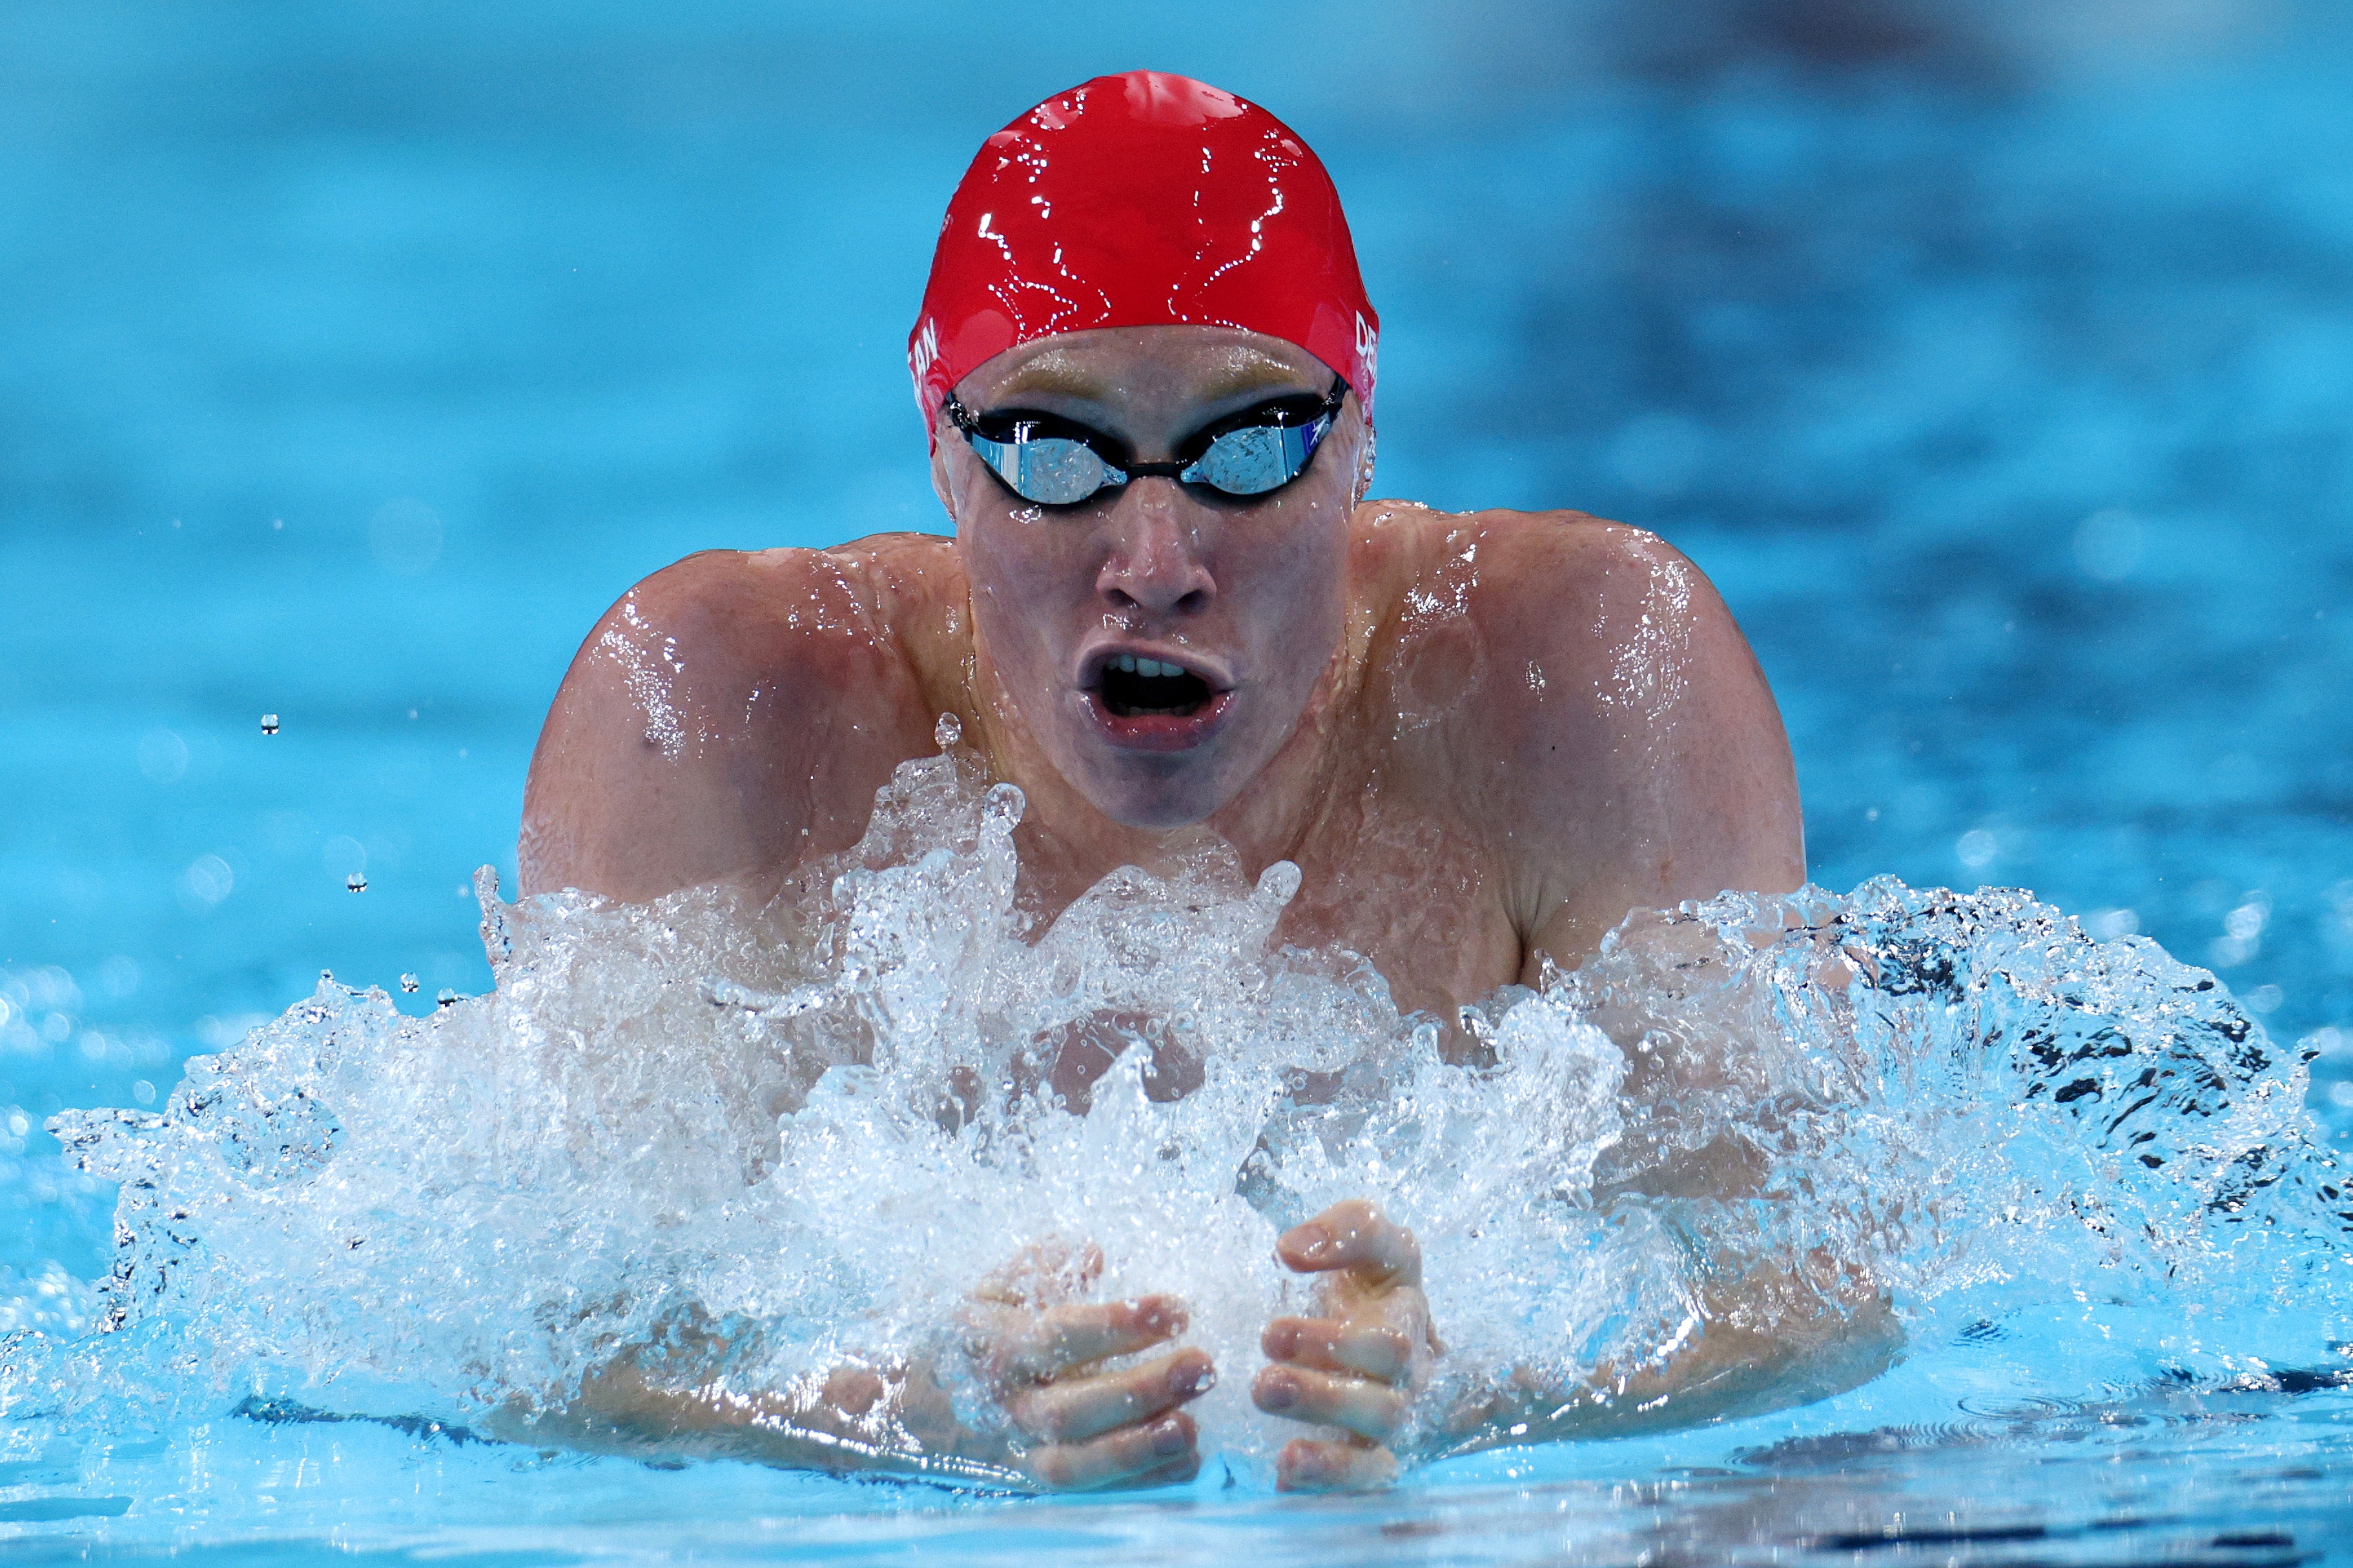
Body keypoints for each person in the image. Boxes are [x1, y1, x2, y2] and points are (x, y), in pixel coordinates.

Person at [517, 71, 1811, 1493]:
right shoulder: (719, 715)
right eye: (1052, 450)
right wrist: (903, 1409)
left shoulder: (1580, 684)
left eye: (1249, 445)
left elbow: (1816, 1301)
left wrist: (1491, 1397)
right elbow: (545, 1351)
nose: (1153, 561)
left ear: (1361, 435)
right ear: (945, 452)